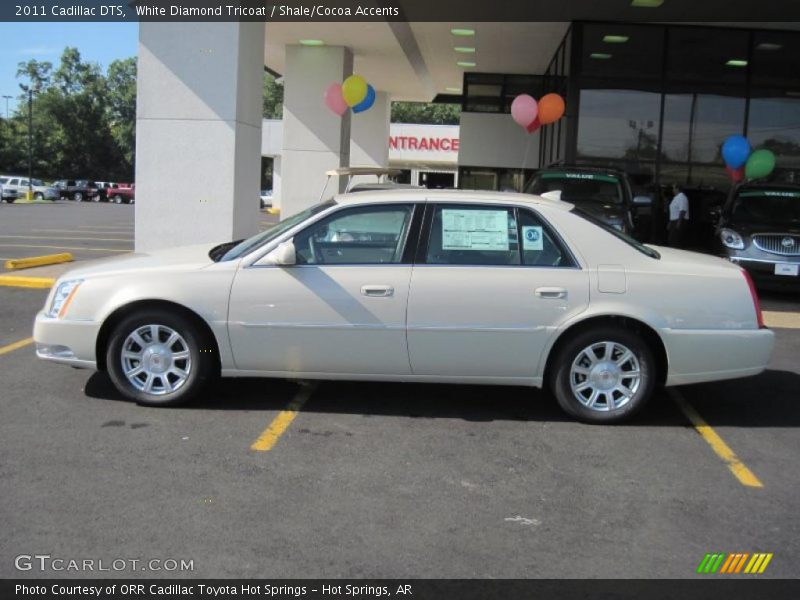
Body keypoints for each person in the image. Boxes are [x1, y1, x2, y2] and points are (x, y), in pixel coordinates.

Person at [667, 183, 690, 248]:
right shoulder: (676, 198)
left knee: (675, 240)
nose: (673, 190)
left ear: (677, 189)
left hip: (679, 221)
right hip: (674, 221)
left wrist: (678, 223)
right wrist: (670, 222)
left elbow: (682, 210)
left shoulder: (682, 197)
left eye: (673, 188)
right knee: (671, 240)